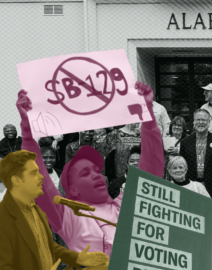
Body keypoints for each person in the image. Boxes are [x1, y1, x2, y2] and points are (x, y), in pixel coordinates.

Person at [17, 83, 164, 256]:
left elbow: (151, 168)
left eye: (96, 170)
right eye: (85, 173)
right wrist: (27, 130)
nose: (97, 175)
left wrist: (147, 113)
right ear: (73, 189)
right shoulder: (68, 216)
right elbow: (39, 180)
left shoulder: (124, 205)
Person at [0, 149, 109, 270]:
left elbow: (48, 245)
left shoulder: (37, 209)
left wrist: (77, 258)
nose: (41, 176)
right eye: (33, 173)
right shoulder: (3, 217)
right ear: (17, 180)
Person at [179, 108, 212, 201]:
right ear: (193, 122)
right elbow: (182, 165)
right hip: (191, 185)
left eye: (204, 120)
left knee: (210, 214)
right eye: (198, 119)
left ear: (209, 122)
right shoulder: (185, 142)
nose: (201, 122)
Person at [166, 155, 212, 240]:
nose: (178, 170)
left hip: (197, 231)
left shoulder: (198, 186)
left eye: (181, 167)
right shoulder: (166, 187)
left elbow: (209, 207)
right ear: (169, 171)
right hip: (176, 232)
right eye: (174, 168)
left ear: (186, 169)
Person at [163, 115, 187, 181]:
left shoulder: (187, 140)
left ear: (183, 128)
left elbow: (191, 154)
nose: (176, 127)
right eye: (174, 125)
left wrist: (179, 151)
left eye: (179, 125)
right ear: (171, 127)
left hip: (181, 168)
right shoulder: (166, 138)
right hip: (167, 168)